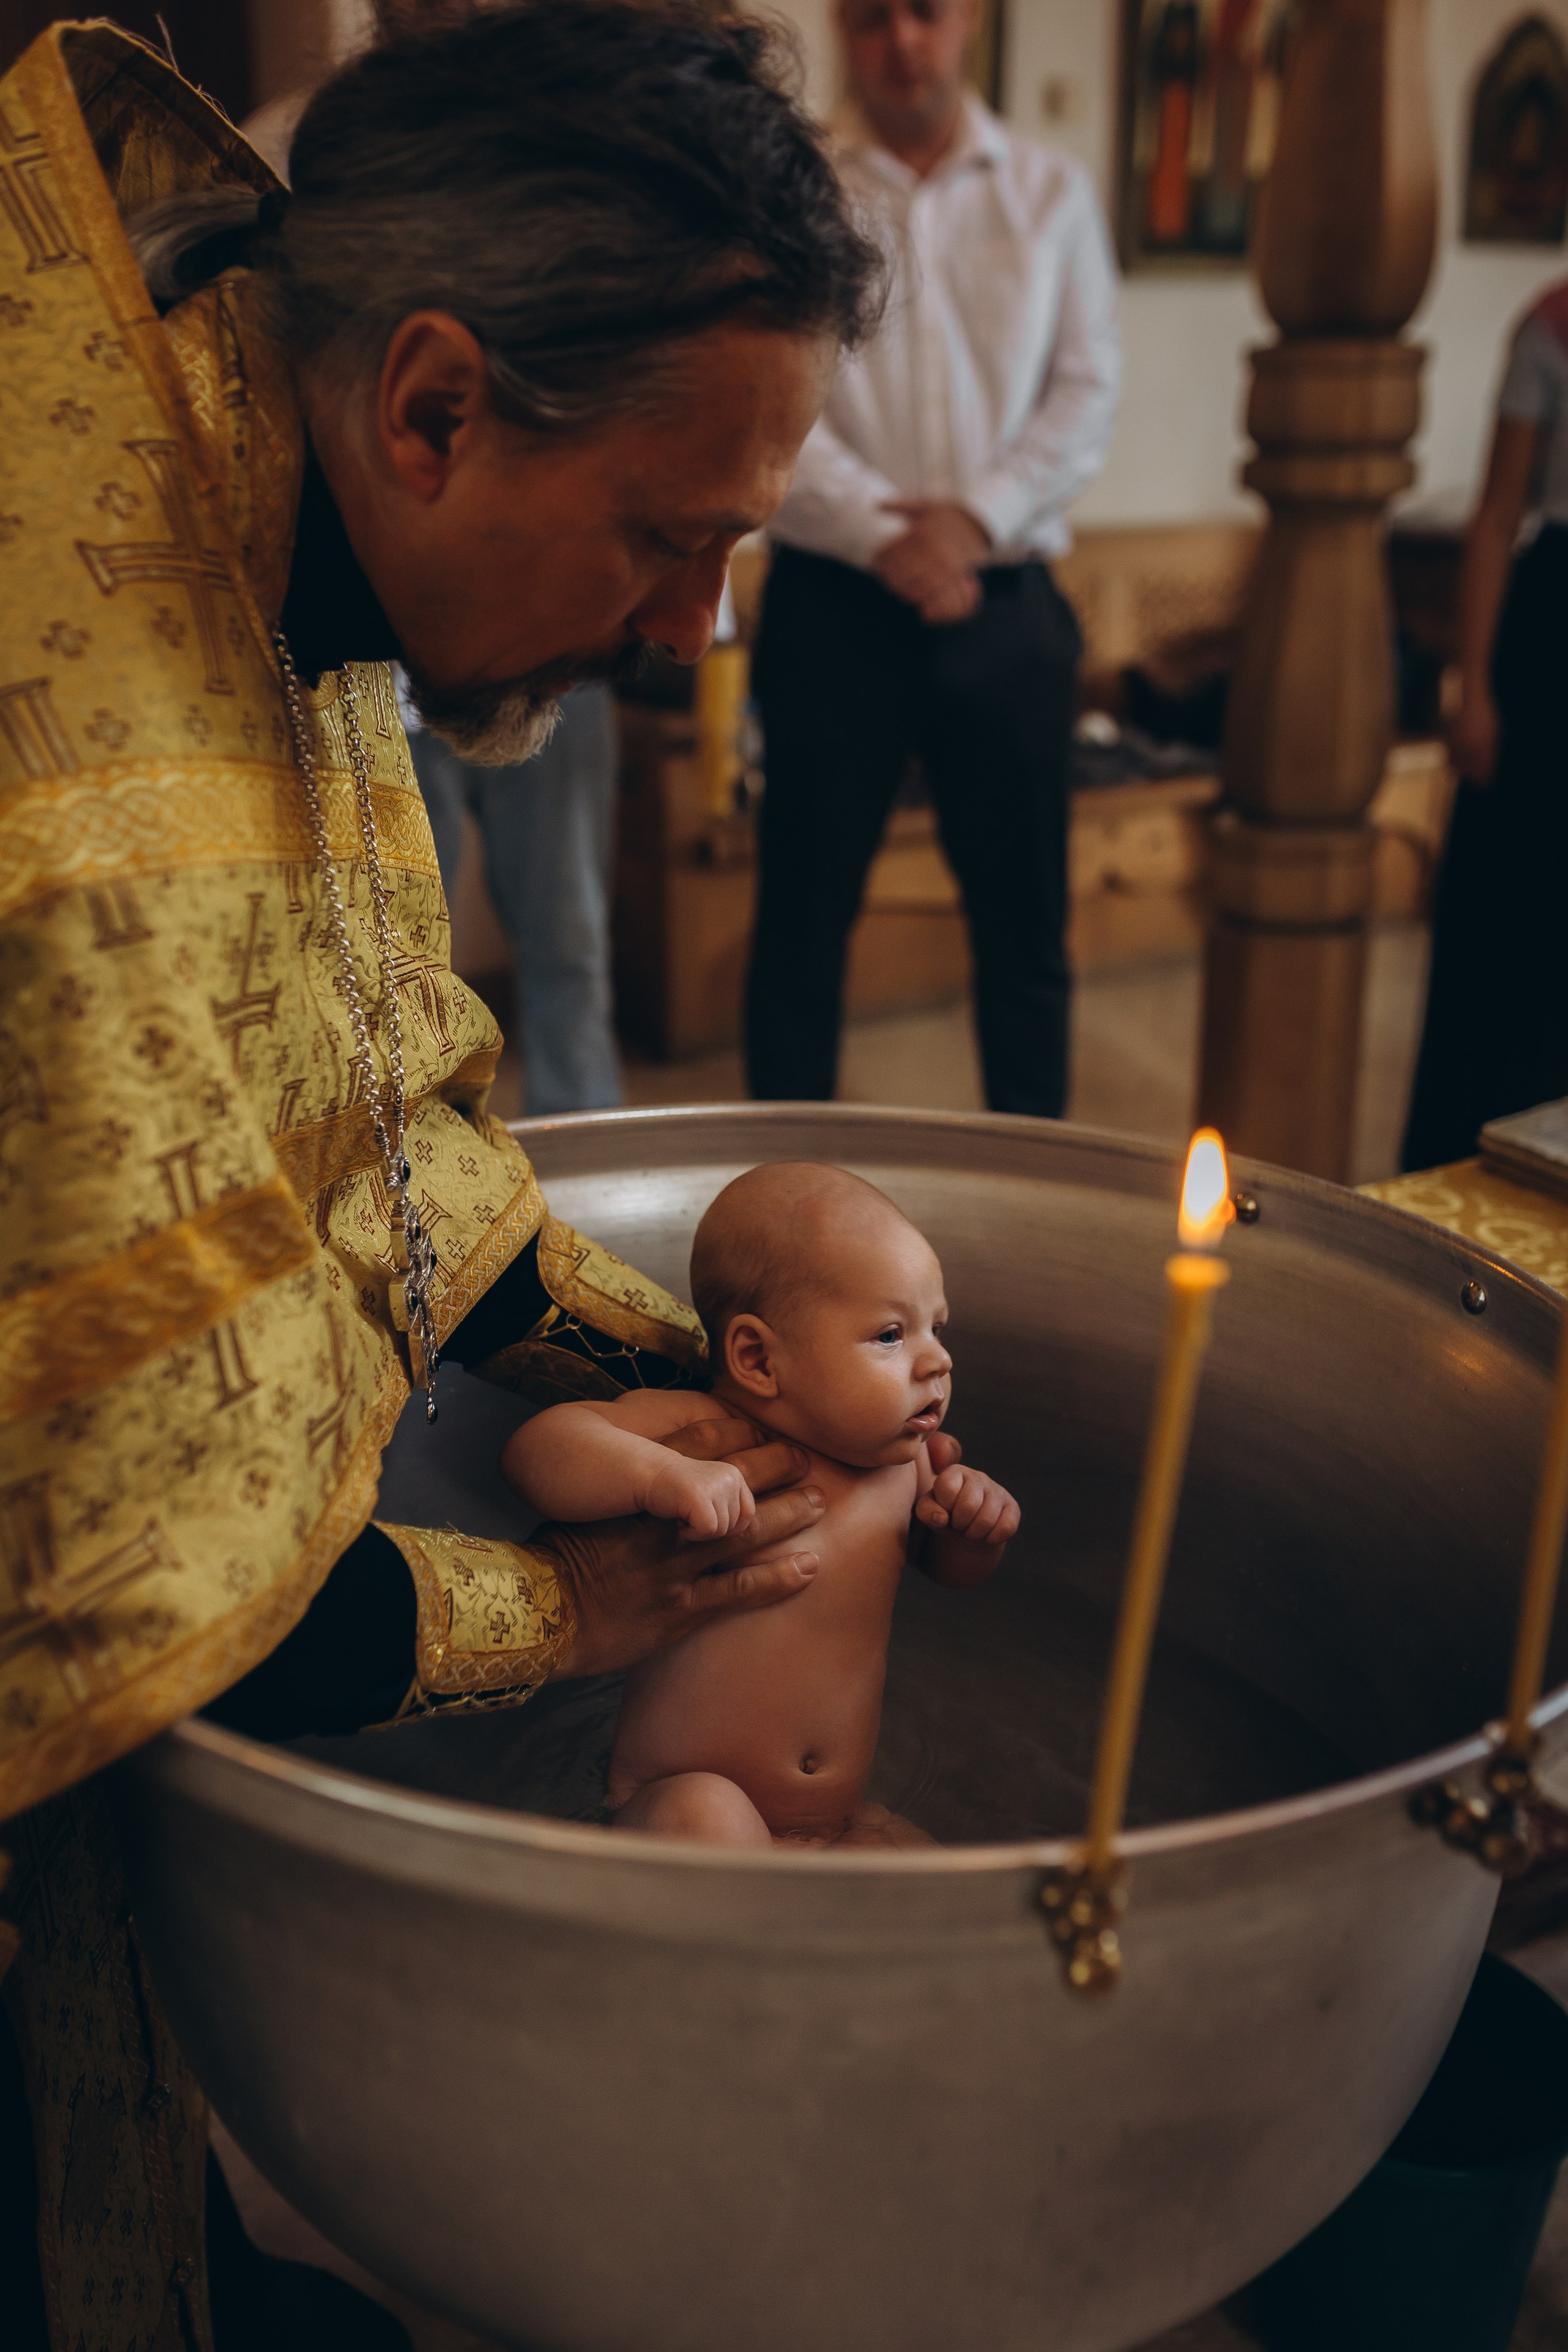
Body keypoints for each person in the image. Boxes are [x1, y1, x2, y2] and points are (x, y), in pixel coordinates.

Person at [0, 9, 889, 2346]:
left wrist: (741, 1379)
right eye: (672, 541)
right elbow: (129, 1580)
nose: (693, 636)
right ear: (432, 409)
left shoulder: (251, 454)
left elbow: (380, 1118)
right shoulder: (75, 798)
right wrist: (574, 1612)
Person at [744, 0, 1120, 1122]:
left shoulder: (1052, 191)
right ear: (840, 27)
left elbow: (1086, 391)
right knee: (800, 930)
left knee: (1025, 939)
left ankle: (1032, 1177)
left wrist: (972, 524)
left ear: (970, 20)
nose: (901, 40)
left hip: (1005, 608)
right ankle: (784, 1196)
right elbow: (763, 386)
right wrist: (883, 535)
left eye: (924, 11)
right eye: (871, 18)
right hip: (831, 607)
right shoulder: (793, 185)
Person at [503, 1163, 1019, 1847]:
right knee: (706, 1817)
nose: (938, 1362)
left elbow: (948, 1570)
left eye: (937, 1329)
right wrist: (659, 1475)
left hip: (830, 1821)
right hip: (681, 1800)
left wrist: (974, 1532)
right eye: (891, 1334)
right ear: (758, 1359)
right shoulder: (704, 1430)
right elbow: (539, 1449)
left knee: (923, 1869)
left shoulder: (907, 1465)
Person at [1402, 279, 1568, 1172]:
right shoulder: (1551, 324)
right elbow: (1498, 513)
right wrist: (1472, 687)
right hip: (1550, 642)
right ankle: (1469, 1157)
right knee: (1512, 916)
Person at [407, 685, 625, 1114]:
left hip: (555, 678)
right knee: (397, 955)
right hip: (391, 685)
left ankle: (577, 1134)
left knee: (569, 944)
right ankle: (397, 1141)